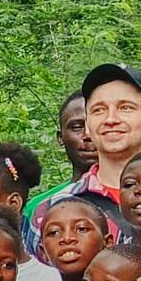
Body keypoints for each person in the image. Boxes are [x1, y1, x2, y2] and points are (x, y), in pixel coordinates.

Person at [30, 63, 141, 237]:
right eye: (99, 110)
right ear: (88, 124)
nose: (111, 119)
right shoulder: (52, 209)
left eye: (126, 108)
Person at [32, 195, 119, 281]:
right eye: (54, 232)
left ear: (107, 243)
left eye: (81, 229)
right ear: (43, 252)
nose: (67, 238)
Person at [23, 93, 95, 223]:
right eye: (77, 127)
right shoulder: (38, 208)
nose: (87, 135)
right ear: (60, 137)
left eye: (96, 125)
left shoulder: (134, 200)